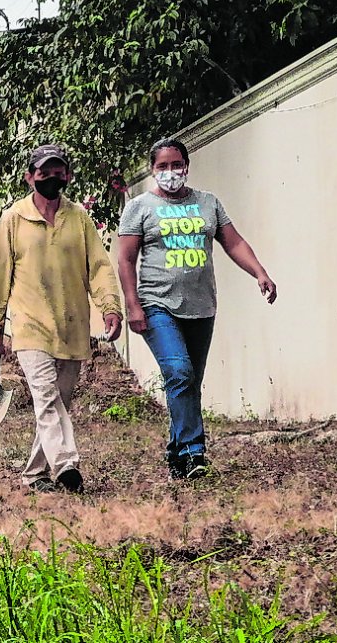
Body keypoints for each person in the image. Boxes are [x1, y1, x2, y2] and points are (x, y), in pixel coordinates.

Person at [117, 138, 276, 481]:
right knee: (179, 372)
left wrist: (259, 272)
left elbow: (233, 241)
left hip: (201, 306)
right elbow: (126, 258)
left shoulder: (207, 203)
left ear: (186, 167)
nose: (170, 172)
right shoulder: (140, 207)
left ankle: (176, 452)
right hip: (157, 303)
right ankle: (193, 452)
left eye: (176, 165)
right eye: (162, 166)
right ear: (152, 169)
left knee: (189, 381)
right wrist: (133, 305)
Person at [0, 145, 124, 494]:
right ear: (30, 177)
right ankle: (66, 465)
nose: (51, 178)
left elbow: (100, 268)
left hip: (72, 325)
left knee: (58, 402)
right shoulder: (14, 219)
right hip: (30, 327)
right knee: (46, 397)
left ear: (68, 176)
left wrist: (110, 306)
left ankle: (35, 473)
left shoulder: (79, 219)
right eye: (43, 172)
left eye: (58, 171)